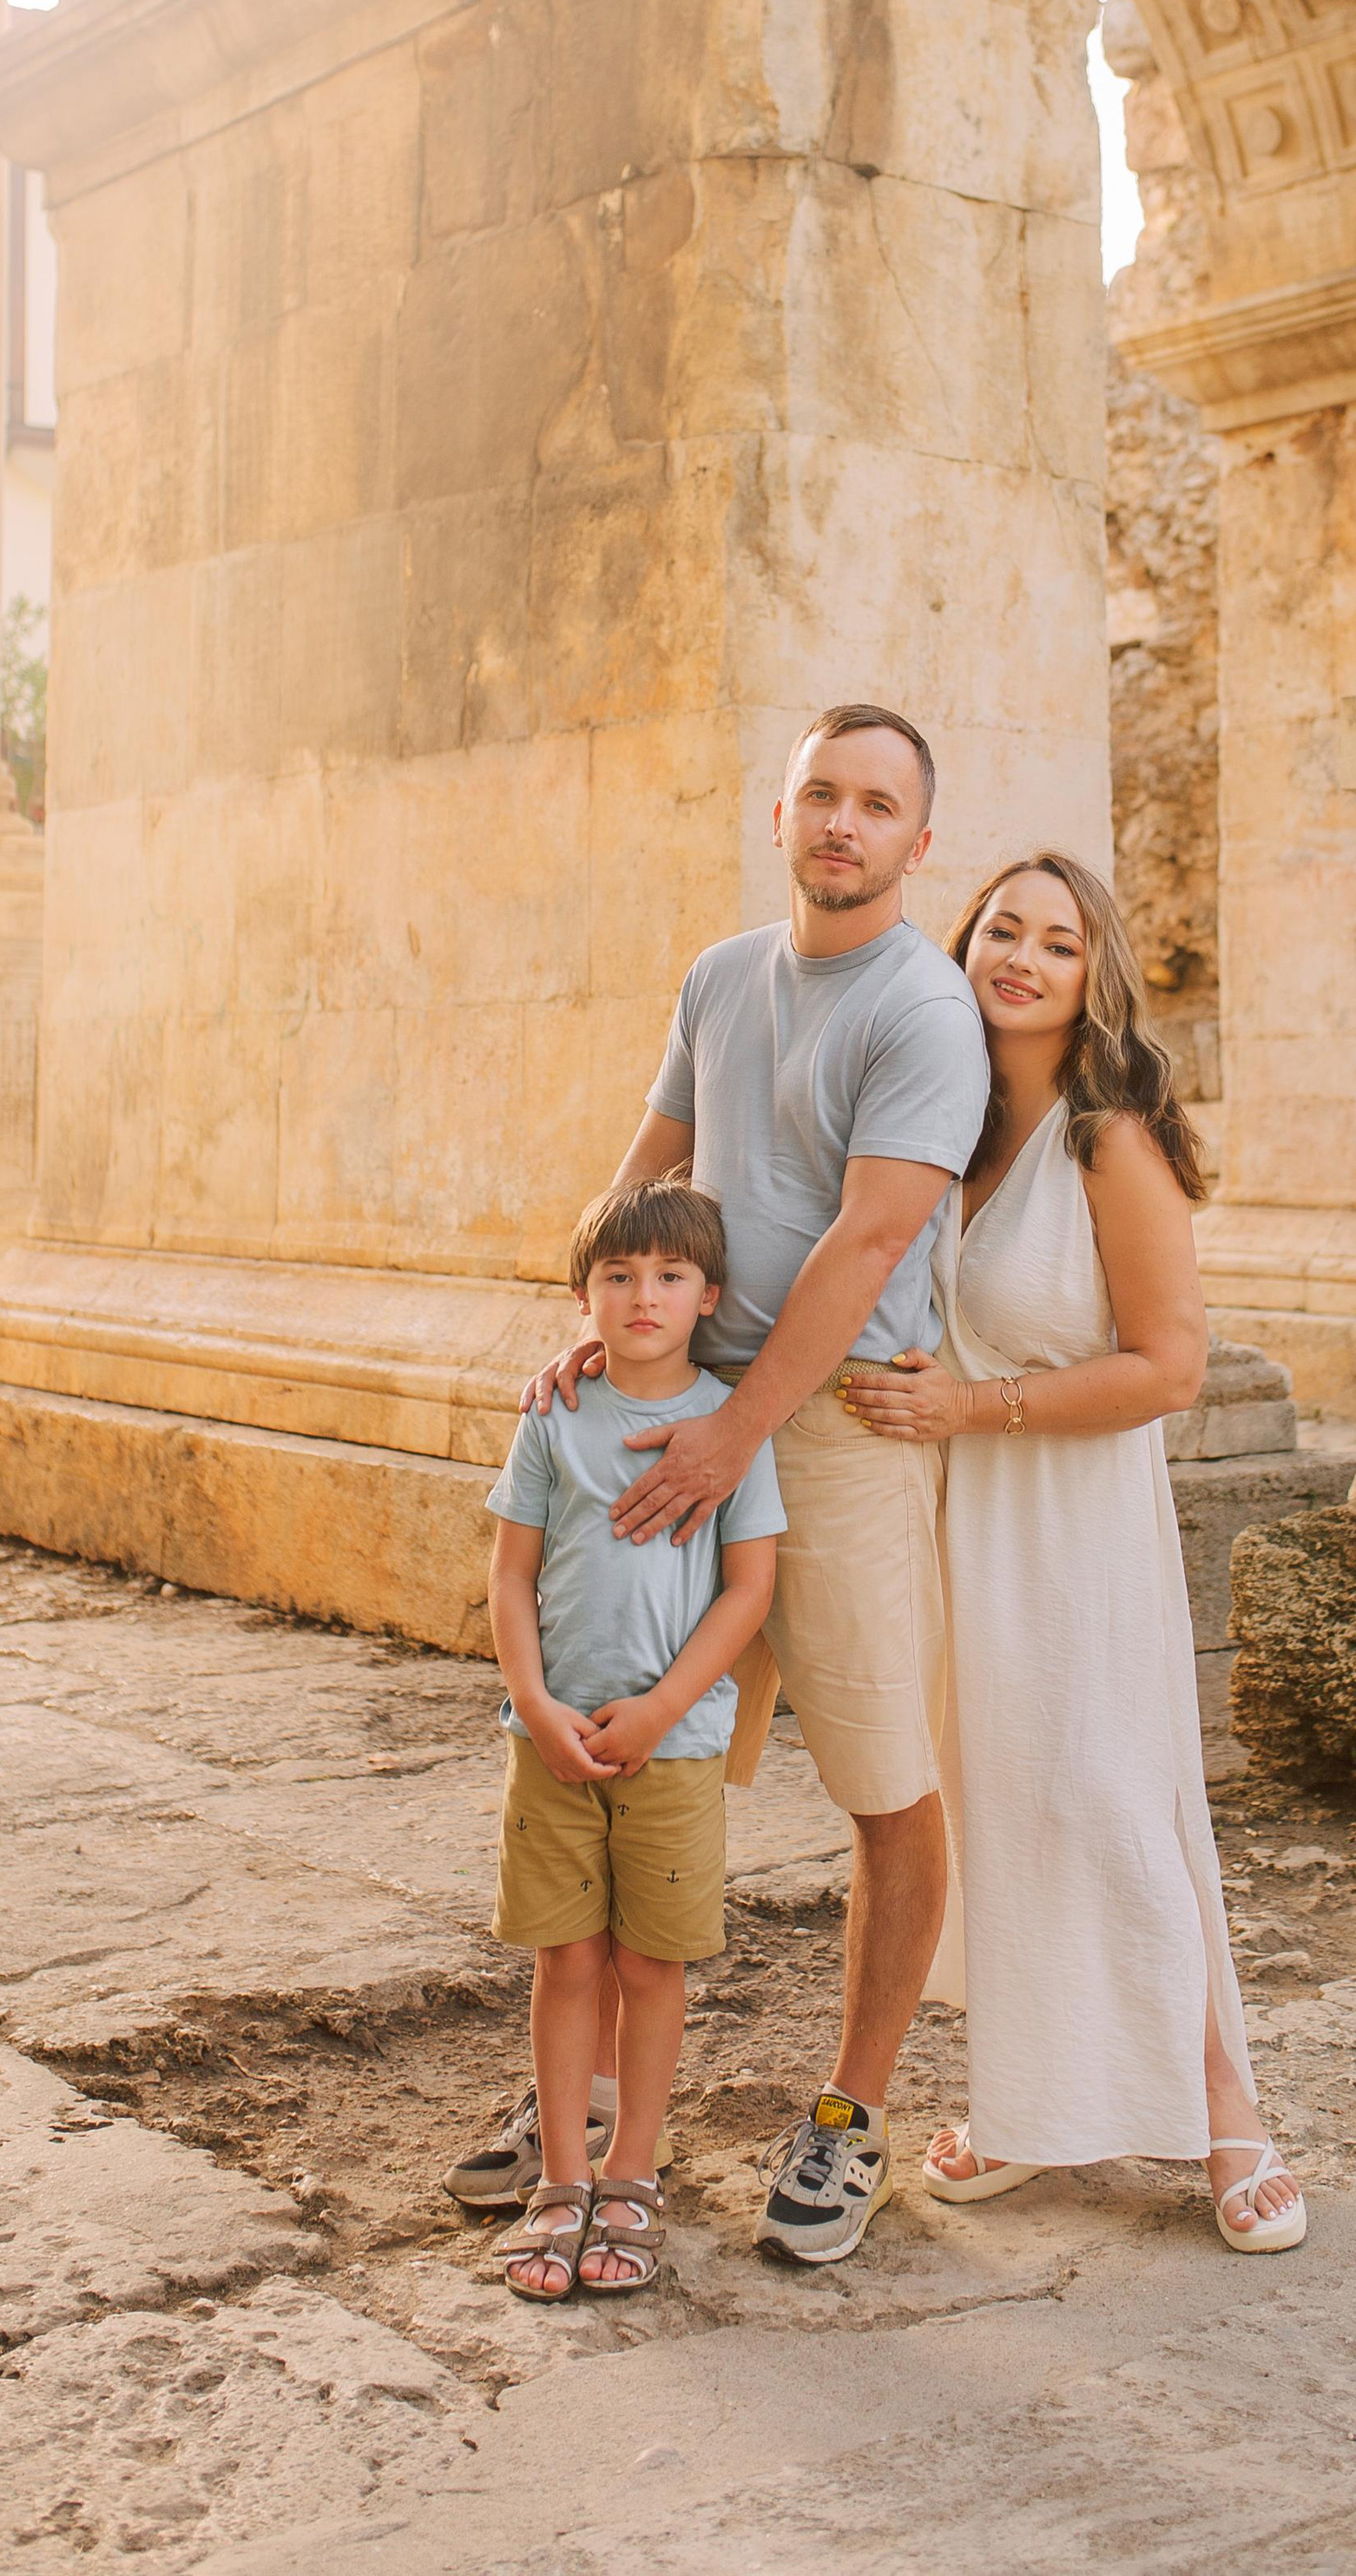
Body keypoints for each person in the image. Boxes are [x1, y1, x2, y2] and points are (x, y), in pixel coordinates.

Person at [444, 702, 990, 2264]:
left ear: (916, 841)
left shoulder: (923, 1010)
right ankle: (591, 2108)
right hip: (677, 1404)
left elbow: (870, 1236)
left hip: (826, 1435)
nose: (844, 824)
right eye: (822, 794)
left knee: (883, 1780)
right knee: (632, 1748)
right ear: (782, 816)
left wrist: (735, 1430)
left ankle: (849, 2118)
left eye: (878, 804)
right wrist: (597, 1333)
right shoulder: (719, 975)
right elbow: (652, 1164)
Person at [839, 854, 1307, 2251]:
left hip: (1073, 1519)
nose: (1023, 959)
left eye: (1057, 941)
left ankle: (1229, 2114)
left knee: (1111, 1799)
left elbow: (1172, 1368)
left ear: (1094, 973)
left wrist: (972, 1404)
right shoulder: (942, 1126)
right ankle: (1034, 2105)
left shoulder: (1111, 1138)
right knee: (998, 1809)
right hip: (955, 1519)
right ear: (962, 943)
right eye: (1000, 930)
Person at [483, 1176, 784, 2299]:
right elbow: (510, 1575)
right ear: (583, 1297)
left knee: (652, 1963)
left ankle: (634, 2172)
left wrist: (662, 1710)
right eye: (618, 1276)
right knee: (567, 1960)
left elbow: (749, 1591)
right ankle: (563, 2179)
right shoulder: (554, 1418)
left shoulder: (728, 1425)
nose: (642, 1295)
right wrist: (537, 1703)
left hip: (678, 1746)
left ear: (709, 1294)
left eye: (667, 1277)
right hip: (551, 1740)